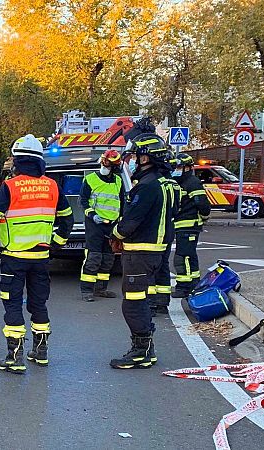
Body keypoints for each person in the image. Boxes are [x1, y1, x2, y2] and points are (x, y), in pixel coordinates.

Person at [0, 134, 74, 374]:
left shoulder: (10, 186)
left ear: (18, 161)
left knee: (13, 304)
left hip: (13, 258)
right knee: (39, 304)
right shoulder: (52, 186)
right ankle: (41, 352)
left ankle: (14, 357)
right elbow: (67, 219)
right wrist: (55, 244)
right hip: (41, 259)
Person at [109, 133, 176, 369]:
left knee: (133, 303)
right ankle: (146, 348)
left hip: (140, 253)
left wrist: (115, 234)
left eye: (137, 156)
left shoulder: (146, 187)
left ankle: (141, 351)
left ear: (147, 157)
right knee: (142, 300)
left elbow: (131, 221)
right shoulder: (168, 185)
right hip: (156, 252)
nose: (135, 161)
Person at [79, 149, 123, 302]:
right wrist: (92, 215)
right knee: (93, 257)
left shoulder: (118, 181)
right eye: (103, 161)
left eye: (107, 163)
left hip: (112, 226)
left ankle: (101, 288)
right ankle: (86, 290)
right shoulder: (91, 179)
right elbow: (83, 201)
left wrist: (120, 221)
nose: (104, 165)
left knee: (108, 258)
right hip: (95, 224)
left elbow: (122, 202)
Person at [171, 154, 211, 298]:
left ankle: (184, 287)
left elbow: (202, 204)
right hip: (181, 225)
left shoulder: (192, 182)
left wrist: (204, 217)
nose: (176, 170)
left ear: (188, 168)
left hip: (189, 225)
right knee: (190, 256)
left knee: (182, 258)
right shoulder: (178, 182)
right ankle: (194, 285)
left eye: (180, 167)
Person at [149, 151, 181, 315]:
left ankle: (151, 303)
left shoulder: (156, 183)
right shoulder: (174, 184)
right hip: (168, 230)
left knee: (150, 267)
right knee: (163, 266)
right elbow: (176, 209)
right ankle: (162, 303)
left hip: (155, 231)